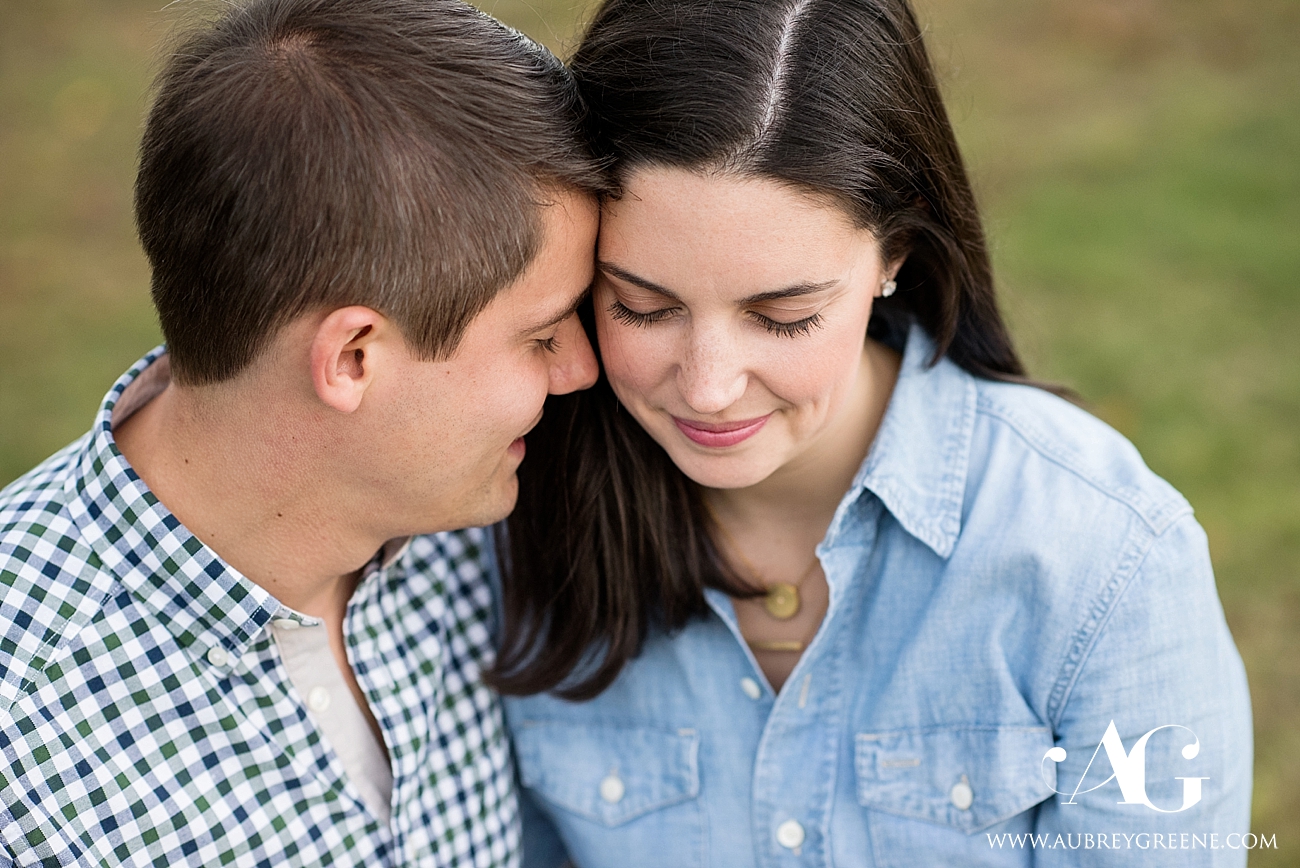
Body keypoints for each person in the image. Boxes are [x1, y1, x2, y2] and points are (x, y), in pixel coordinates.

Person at [489, 0, 1254, 865]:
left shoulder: (1105, 558)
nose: (708, 387)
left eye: (783, 316)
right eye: (641, 305)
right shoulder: (497, 523)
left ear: (895, 249)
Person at [0, 0, 604, 864]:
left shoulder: (477, 534)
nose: (581, 369)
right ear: (353, 358)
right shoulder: (23, 757)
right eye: (542, 336)